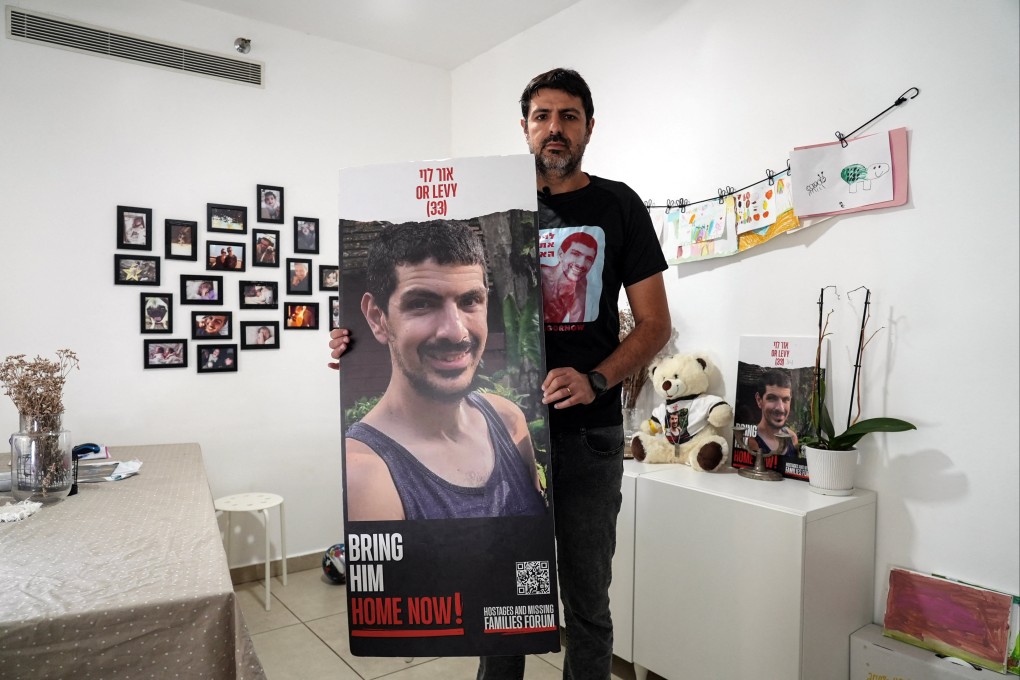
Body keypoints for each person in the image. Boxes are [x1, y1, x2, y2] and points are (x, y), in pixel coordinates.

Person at [330, 68, 670, 679]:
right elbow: (421, 293)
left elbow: (654, 325)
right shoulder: (488, 208)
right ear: (525, 128)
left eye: (568, 116)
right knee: (502, 600)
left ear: (589, 126)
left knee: (589, 602)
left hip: (588, 433)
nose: (555, 129)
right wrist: (352, 346)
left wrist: (596, 378)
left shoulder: (619, 206)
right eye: (542, 117)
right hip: (506, 432)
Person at [343, 220, 545, 521]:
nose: (456, 331)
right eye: (422, 303)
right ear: (377, 317)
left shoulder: (508, 420)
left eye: (470, 301)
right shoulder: (365, 472)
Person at [541, 231, 599, 323]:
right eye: (576, 254)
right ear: (561, 254)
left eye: (588, 259)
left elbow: (578, 325)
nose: (581, 264)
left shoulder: (580, 285)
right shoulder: (540, 274)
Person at [747, 368, 799, 457]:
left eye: (786, 399)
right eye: (772, 398)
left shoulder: (792, 437)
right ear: (759, 400)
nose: (781, 408)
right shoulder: (751, 440)